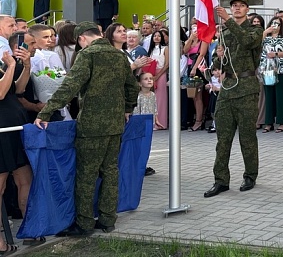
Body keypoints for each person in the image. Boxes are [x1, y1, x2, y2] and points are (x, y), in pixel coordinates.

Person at [35, 21, 139, 237]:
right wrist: (128, 107)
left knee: (86, 174)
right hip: (115, 124)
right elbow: (132, 86)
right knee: (110, 171)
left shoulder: (88, 55)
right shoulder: (119, 55)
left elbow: (70, 85)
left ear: (82, 38)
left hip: (92, 125)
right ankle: (108, 219)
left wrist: (46, 111)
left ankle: (84, 223)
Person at [204, 0, 263, 198]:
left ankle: (250, 175)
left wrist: (228, 20)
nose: (237, 9)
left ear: (247, 9)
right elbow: (215, 63)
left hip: (246, 87)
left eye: (241, 6)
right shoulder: (225, 32)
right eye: (234, 6)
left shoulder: (255, 30)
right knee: (223, 138)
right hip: (228, 87)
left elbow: (247, 42)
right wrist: (217, 58)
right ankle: (221, 180)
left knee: (247, 136)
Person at [0, 45, 33, 251]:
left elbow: (17, 89)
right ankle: (1, 242)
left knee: (25, 180)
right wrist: (11, 65)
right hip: (1, 133)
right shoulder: (7, 66)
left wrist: (26, 66)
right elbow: (1, 93)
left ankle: (30, 228)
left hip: (15, 130)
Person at [260, 16, 283, 132]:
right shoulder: (265, 37)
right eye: (273, 23)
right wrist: (265, 33)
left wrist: (276, 54)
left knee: (280, 95)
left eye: (277, 23)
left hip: (280, 69)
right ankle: (269, 122)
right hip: (267, 69)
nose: (275, 25)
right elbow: (257, 46)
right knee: (269, 96)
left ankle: (282, 122)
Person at [146, 29, 170, 130]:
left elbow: (167, 64)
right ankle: (153, 121)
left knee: (160, 98)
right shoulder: (150, 50)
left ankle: (161, 122)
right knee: (152, 98)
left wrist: (158, 75)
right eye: (155, 36)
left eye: (159, 36)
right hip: (151, 73)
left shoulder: (165, 48)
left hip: (161, 73)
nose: (157, 37)